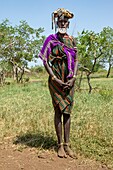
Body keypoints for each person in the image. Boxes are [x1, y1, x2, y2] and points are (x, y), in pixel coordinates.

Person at [39, 8, 78, 158]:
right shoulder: (50, 39)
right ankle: (59, 145)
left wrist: (73, 77)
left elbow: (76, 60)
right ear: (56, 22)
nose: (62, 23)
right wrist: (54, 78)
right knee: (58, 111)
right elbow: (44, 59)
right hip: (55, 81)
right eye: (60, 21)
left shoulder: (72, 40)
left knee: (67, 113)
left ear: (68, 23)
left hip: (69, 80)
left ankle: (68, 145)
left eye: (65, 21)